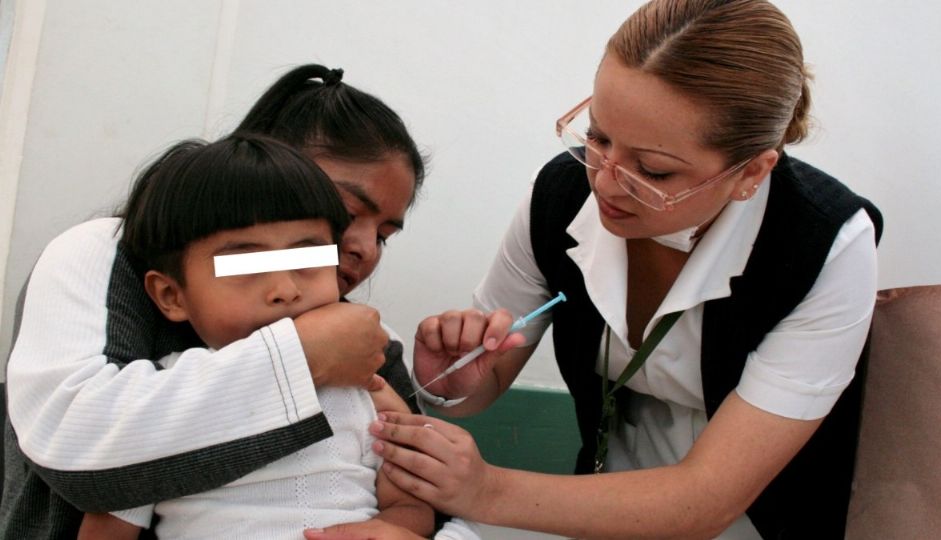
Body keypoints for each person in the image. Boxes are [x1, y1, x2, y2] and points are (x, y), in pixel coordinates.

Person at [368, 1, 882, 538]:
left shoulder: (826, 244)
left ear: (751, 171)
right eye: (597, 137)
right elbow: (480, 386)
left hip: (756, 521)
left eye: (653, 170)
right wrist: (450, 378)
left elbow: (706, 501)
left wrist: (484, 490)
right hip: (586, 502)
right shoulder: (562, 195)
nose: (606, 183)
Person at [0, 64, 430, 538]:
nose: (365, 248)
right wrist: (306, 356)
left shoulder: (366, 341)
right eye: (347, 212)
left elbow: (425, 483)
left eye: (385, 235)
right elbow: (78, 446)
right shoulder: (99, 253)